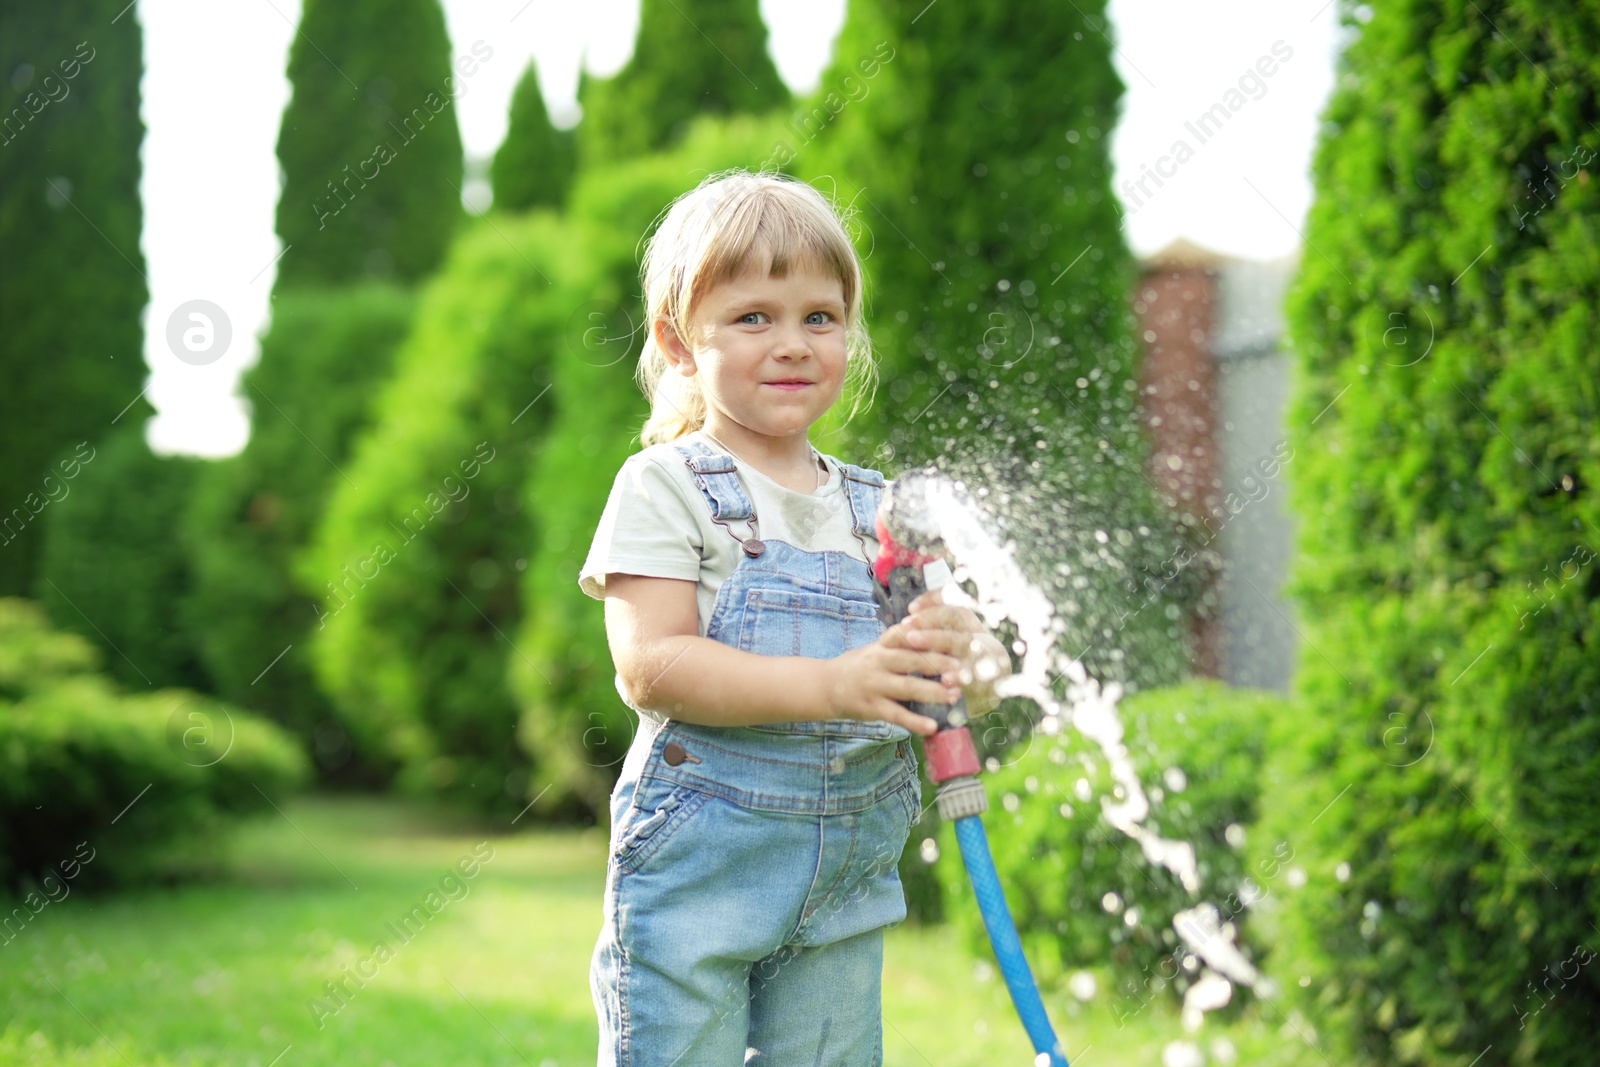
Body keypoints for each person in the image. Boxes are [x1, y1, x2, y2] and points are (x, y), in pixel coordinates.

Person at [579, 169, 1007, 1066]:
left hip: (846, 887)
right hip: (701, 874)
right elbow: (650, 663)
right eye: (753, 318)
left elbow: (961, 680)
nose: (792, 343)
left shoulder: (880, 512)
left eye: (819, 317)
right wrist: (831, 684)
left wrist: (969, 658)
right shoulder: (667, 485)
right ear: (679, 342)